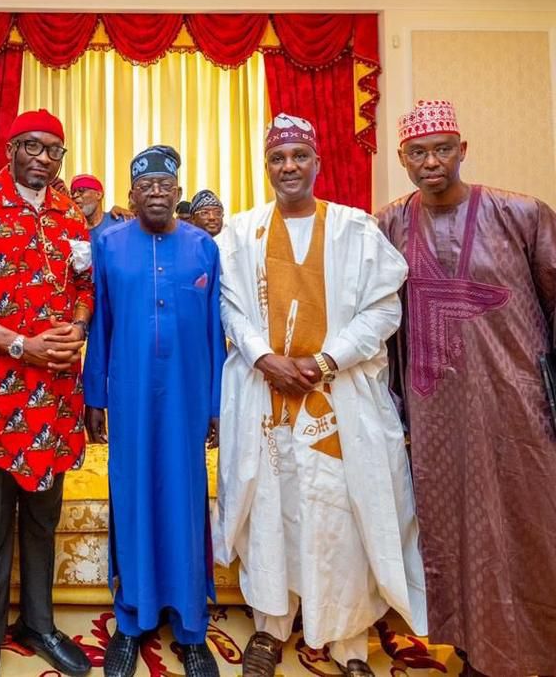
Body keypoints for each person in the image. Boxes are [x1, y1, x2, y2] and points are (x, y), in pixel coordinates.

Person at [217, 113, 427, 677]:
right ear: (267, 167)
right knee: (270, 509)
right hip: (267, 399)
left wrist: (326, 359)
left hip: (338, 399)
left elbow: (385, 307)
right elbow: (230, 306)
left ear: (317, 163)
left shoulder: (355, 230)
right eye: (278, 159)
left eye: (299, 157)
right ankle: (270, 628)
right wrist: (264, 356)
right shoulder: (240, 233)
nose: (289, 167)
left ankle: (348, 639)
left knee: (341, 515)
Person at [375, 99, 556, 677]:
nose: (432, 161)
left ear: (463, 150)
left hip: (517, 402)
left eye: (443, 149)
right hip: (435, 411)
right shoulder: (389, 224)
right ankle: (475, 651)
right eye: (418, 152)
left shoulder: (521, 214)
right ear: (402, 159)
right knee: (454, 529)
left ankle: (535, 649)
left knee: (530, 519)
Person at [0, 108, 93, 677]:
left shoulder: (71, 217)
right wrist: (22, 345)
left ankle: (39, 623)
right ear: (11, 148)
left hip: (55, 394)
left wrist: (76, 327)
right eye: (32, 146)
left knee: (43, 515)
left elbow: (85, 286)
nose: (43, 158)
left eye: (54, 150)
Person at [83, 145, 225, 677]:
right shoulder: (109, 245)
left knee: (187, 500)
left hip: (188, 396)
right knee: (133, 493)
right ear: (132, 194)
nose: (158, 193)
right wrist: (94, 396)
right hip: (129, 395)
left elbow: (216, 332)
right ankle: (132, 619)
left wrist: (216, 404)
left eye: (167, 185)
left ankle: (191, 628)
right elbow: (100, 326)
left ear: (178, 192)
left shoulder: (203, 248)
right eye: (148, 186)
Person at [69, 173, 132, 244]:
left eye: (81, 190)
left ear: (98, 194)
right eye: (72, 193)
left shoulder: (120, 222)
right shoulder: (72, 231)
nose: (75, 195)